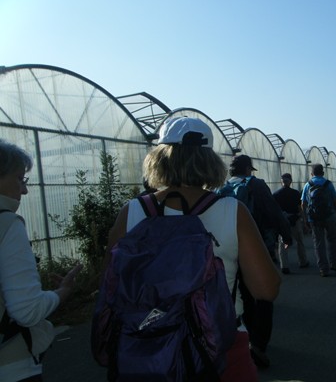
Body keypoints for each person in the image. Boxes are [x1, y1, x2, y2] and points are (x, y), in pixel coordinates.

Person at [104, 118, 281, 382]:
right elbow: (266, 290)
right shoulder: (232, 211)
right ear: (209, 159)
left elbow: (110, 285)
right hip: (220, 344)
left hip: (148, 347)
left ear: (160, 157)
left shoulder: (132, 212)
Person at [0, 139, 82, 382]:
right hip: (11, 364)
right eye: (19, 179)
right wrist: (62, 292)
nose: (24, 190)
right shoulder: (7, 224)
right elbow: (27, 310)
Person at [222, 154, 292, 368]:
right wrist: (286, 234)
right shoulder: (256, 185)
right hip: (258, 246)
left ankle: (249, 338)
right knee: (263, 294)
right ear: (247, 169)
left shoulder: (222, 188)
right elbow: (272, 210)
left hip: (232, 248)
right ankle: (259, 344)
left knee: (243, 292)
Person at [301, 164, 336, 277]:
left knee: (318, 243)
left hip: (314, 219)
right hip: (329, 216)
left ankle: (323, 269)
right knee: (332, 240)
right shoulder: (328, 184)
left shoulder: (308, 185)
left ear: (312, 173)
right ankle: (335, 264)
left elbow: (303, 204)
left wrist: (305, 219)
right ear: (323, 172)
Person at [272, 173, 309, 274]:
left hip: (283, 222)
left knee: (283, 243)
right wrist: (304, 222)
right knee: (299, 241)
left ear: (281, 181)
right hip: (295, 220)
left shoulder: (276, 194)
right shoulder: (296, 193)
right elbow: (300, 208)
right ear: (290, 181)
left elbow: (274, 210)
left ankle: (284, 266)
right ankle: (303, 261)